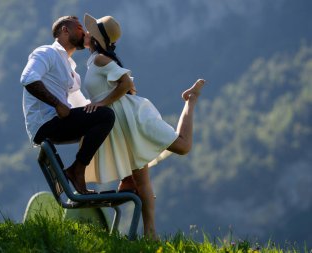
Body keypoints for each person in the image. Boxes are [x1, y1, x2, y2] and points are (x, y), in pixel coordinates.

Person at [81, 13, 205, 238]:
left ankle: (191, 101)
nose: (86, 33)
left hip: (132, 120)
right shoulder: (94, 60)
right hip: (121, 124)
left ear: (97, 39)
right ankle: (150, 233)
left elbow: (126, 82)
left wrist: (101, 103)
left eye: (91, 32)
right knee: (141, 180)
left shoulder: (100, 59)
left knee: (183, 146)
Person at [20, 16, 115, 194]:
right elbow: (28, 78)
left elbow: (83, 105)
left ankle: (122, 177)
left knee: (107, 117)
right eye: (80, 28)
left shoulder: (70, 70)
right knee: (106, 117)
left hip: (55, 121)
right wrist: (57, 104)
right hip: (45, 124)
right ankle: (77, 171)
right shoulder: (46, 52)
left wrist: (114, 102)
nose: (85, 32)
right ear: (65, 30)